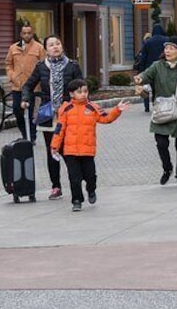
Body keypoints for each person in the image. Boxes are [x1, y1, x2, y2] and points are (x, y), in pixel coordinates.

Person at [50, 79, 130, 211]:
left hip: (87, 150)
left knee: (90, 176)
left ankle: (91, 190)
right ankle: (77, 200)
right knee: (74, 178)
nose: (83, 94)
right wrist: (54, 147)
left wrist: (117, 110)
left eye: (85, 91)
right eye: (79, 92)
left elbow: (106, 118)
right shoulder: (65, 108)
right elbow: (59, 129)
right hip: (70, 151)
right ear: (71, 94)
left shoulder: (93, 107)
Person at [134, 37, 177, 187]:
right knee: (161, 143)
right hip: (162, 111)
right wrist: (140, 78)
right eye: (166, 48)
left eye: (171, 48)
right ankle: (167, 168)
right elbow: (146, 75)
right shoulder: (157, 66)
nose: (167, 51)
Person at [21, 34, 83, 200]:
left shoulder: (72, 66)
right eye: (51, 45)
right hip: (49, 115)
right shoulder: (41, 66)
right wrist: (26, 99)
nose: (55, 47)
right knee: (52, 150)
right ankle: (56, 186)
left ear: (62, 46)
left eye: (58, 43)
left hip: (68, 114)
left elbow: (82, 88)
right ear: (46, 49)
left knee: (69, 150)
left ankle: (75, 183)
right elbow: (28, 86)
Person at [5, 23, 46, 140]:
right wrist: (12, 75)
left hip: (34, 87)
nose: (27, 35)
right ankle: (24, 134)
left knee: (32, 113)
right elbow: (8, 64)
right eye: (24, 33)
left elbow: (43, 66)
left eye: (29, 33)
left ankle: (31, 137)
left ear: (32, 34)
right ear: (21, 34)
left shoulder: (39, 48)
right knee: (17, 111)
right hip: (18, 86)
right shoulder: (13, 48)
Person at [134, 32, 152, 112]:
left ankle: (146, 106)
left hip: (144, 71)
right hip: (151, 70)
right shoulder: (153, 46)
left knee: (145, 89)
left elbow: (140, 59)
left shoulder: (143, 47)